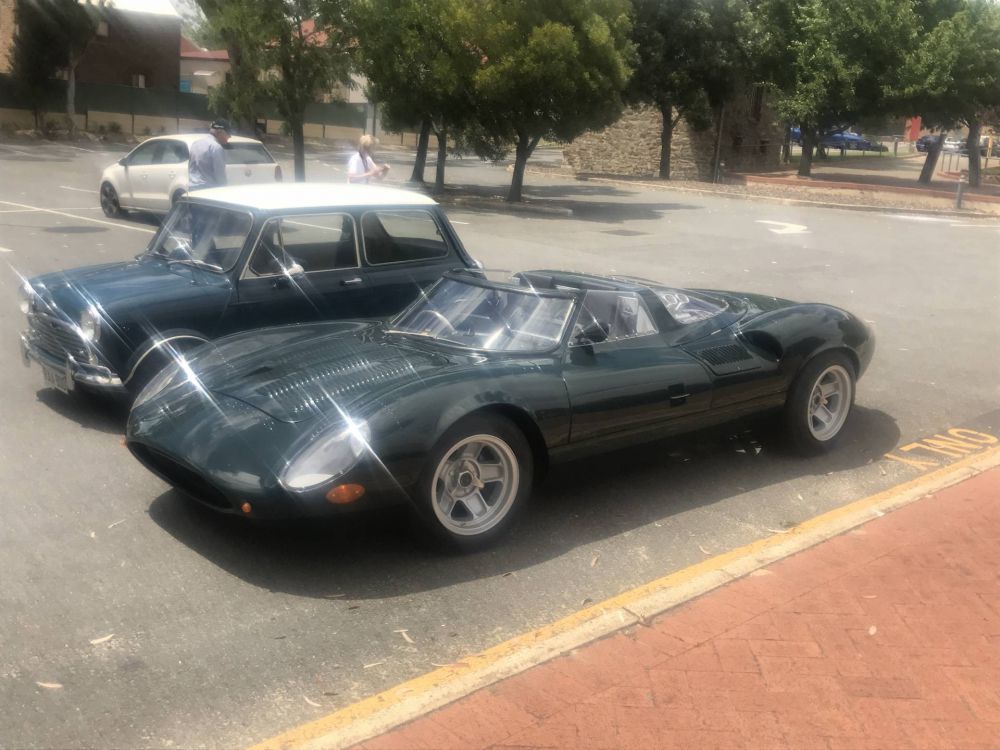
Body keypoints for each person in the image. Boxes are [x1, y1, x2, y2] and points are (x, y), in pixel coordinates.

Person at [188, 119, 230, 191]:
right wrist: (225, 190)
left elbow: (191, 167)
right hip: (208, 190)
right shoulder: (216, 147)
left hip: (192, 189)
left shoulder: (195, 144)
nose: (228, 138)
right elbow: (220, 175)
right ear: (220, 132)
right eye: (228, 135)